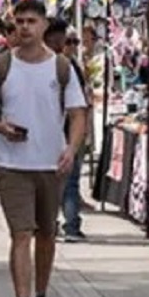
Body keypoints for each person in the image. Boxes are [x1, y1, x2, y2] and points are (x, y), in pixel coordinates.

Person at [0, 0, 87, 297]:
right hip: (12, 165)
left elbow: (78, 113)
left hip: (50, 163)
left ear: (43, 26)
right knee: (21, 233)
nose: (25, 27)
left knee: (47, 234)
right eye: (19, 21)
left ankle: (41, 294)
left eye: (31, 21)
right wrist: (1, 128)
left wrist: (71, 148)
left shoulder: (62, 67)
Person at [42, 19, 92, 242]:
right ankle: (68, 225)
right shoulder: (64, 66)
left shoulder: (67, 66)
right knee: (67, 181)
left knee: (62, 181)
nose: (69, 44)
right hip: (58, 131)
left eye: (73, 41)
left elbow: (79, 106)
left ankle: (57, 223)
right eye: (67, 40)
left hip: (67, 131)